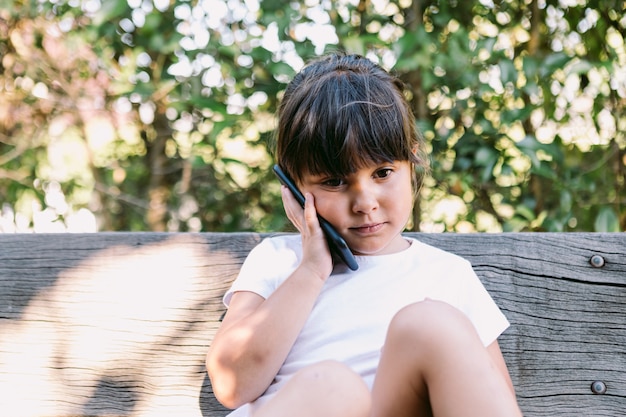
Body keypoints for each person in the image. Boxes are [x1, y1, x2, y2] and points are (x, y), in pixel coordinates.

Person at [206, 52, 523, 417]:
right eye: (335, 181)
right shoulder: (279, 261)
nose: (364, 203)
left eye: (383, 172)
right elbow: (232, 384)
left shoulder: (449, 276)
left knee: (430, 323)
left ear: (412, 163)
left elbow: (489, 399)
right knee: (333, 388)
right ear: (293, 188)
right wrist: (311, 271)